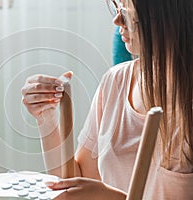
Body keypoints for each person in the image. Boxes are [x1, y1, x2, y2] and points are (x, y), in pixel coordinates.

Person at [21, 0, 193, 199]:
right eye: (118, 8)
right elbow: (77, 182)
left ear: (169, 19)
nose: (117, 20)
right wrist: (46, 119)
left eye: (129, 14)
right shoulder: (115, 82)